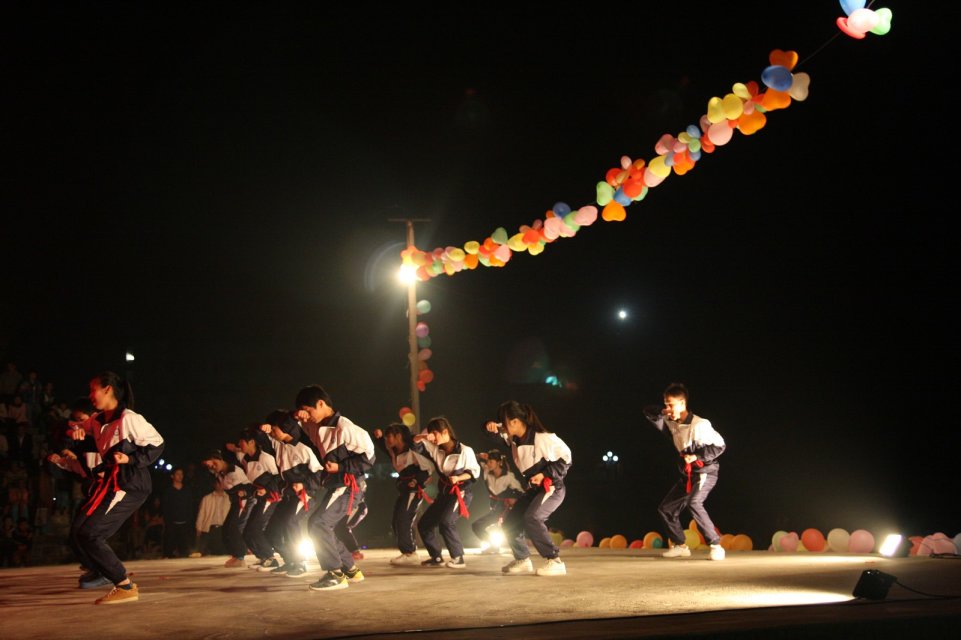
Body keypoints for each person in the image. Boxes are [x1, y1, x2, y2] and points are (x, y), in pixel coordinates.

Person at [66, 370, 165, 604]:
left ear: (108, 389)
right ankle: (103, 572)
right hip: (111, 483)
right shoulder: (98, 420)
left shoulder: (128, 418)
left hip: (129, 484)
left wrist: (130, 459)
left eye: (93, 390)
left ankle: (124, 585)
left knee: (90, 533)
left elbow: (158, 443)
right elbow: (75, 426)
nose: (91, 395)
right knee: (82, 532)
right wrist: (75, 430)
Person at [293, 385, 375, 591]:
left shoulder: (345, 428)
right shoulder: (316, 426)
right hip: (337, 486)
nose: (308, 416)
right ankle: (350, 570)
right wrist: (296, 416)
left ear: (321, 404)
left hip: (349, 486)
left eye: (309, 410)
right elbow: (292, 433)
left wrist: (341, 467)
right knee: (322, 525)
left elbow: (369, 458)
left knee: (318, 524)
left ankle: (335, 575)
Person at [484, 400, 572, 576]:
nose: (502, 426)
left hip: (552, 488)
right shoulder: (514, 440)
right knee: (509, 522)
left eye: (503, 422)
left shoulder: (542, 438)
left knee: (532, 517)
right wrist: (488, 426)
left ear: (515, 421)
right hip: (534, 490)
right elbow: (494, 434)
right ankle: (522, 559)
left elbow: (566, 458)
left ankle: (555, 561)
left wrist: (545, 474)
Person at [643, 382, 727, 561]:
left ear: (682, 404)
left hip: (705, 471)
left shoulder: (700, 425)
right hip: (687, 475)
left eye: (671, 405)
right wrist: (664, 410)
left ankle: (716, 545)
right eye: (666, 404)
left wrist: (696, 456)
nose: (668, 409)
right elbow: (648, 411)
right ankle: (680, 545)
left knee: (694, 502)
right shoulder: (670, 422)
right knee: (666, 508)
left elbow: (720, 446)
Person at [414, 416, 480, 570]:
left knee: (446, 521)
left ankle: (458, 558)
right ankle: (436, 556)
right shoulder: (435, 449)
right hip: (444, 493)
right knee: (424, 524)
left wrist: (458, 478)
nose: (433, 437)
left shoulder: (465, 450)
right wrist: (424, 436)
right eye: (431, 433)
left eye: (435, 433)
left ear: (445, 432)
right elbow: (415, 442)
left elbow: (474, 473)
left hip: (460, 492)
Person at [372, 422, 434, 564]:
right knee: (396, 521)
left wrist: (417, 481)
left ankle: (410, 552)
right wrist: (378, 438)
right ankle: (407, 551)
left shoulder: (413, 450)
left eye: (389, 436)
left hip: (414, 490)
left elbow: (428, 469)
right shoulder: (393, 450)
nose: (387, 440)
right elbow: (384, 446)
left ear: (399, 436)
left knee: (403, 518)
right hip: (404, 490)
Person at [200, 448, 254, 568]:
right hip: (235, 502)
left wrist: (243, 492)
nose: (213, 467)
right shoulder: (220, 474)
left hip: (244, 501)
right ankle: (235, 555)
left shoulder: (234, 470)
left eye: (215, 463)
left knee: (234, 527)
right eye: (211, 466)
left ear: (221, 459)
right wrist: (207, 464)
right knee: (226, 529)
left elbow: (250, 488)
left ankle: (240, 557)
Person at [471, 449, 524, 553]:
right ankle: (493, 545)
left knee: (508, 528)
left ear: (499, 462)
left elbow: (520, 492)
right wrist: (480, 455)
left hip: (505, 507)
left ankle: (521, 551)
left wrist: (514, 498)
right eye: (488, 461)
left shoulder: (508, 476)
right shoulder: (486, 470)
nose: (488, 464)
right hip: (494, 505)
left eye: (491, 462)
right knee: (477, 526)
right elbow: (471, 457)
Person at [161, 467, 195, 558]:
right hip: (172, 524)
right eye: (178, 474)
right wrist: (167, 521)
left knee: (185, 551)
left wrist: (189, 520)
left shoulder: (187, 490)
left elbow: (190, 506)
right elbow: (166, 508)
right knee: (169, 550)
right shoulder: (168, 491)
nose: (180, 476)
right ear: (172, 476)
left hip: (185, 523)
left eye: (181, 474)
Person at [194, 477, 230, 556]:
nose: (220, 485)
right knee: (206, 552)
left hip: (223, 528)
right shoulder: (207, 498)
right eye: (218, 483)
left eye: (222, 483)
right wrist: (198, 527)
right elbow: (201, 513)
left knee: (223, 553)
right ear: (215, 484)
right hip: (209, 528)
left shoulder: (229, 498)